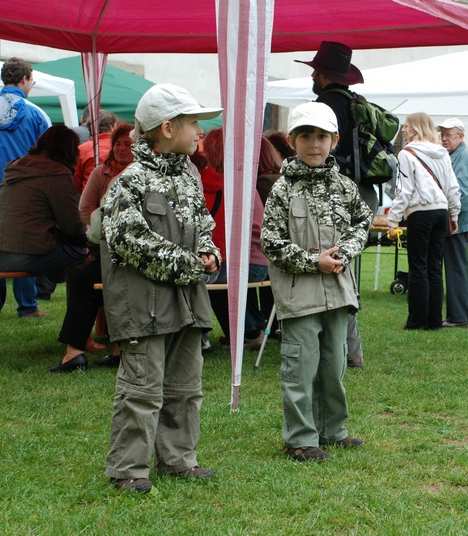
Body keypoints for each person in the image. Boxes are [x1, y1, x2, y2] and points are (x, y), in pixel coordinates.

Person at [100, 83, 222, 493]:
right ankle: (129, 469)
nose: (198, 131)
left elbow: (202, 225)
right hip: (143, 306)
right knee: (141, 389)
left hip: (187, 301)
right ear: (167, 128)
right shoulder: (128, 182)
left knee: (186, 387)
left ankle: (179, 459)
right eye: (192, 123)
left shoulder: (189, 176)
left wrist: (209, 252)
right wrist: (190, 263)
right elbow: (129, 240)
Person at [261, 102, 372, 462]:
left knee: (333, 366)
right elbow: (272, 243)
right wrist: (313, 261)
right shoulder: (281, 190)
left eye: (321, 136)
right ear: (292, 140)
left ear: (334, 140)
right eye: (306, 136)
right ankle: (301, 438)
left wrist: (348, 249)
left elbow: (362, 222)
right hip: (299, 296)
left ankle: (334, 430)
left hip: (338, 293)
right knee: (300, 368)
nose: (314, 144)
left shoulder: (344, 186)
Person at [295, 41, 370, 369]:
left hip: (331, 193)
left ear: (323, 74)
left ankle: (340, 349)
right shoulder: (355, 102)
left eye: (315, 70)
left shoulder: (325, 106)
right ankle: (350, 350)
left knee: (331, 266)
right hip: (358, 190)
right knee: (343, 269)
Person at [49, 123, 133, 373]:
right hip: (106, 247)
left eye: (127, 144)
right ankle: (102, 349)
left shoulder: (139, 175)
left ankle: (77, 352)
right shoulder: (101, 172)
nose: (121, 148)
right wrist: (98, 232)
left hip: (133, 255)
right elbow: (84, 210)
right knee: (84, 275)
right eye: (117, 143)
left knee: (87, 279)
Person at [385, 113, 460, 330]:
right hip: (441, 211)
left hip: (420, 211)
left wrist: (393, 220)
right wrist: (453, 215)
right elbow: (452, 187)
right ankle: (434, 320)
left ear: (416, 128)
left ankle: (417, 320)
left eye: (407, 126)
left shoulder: (407, 153)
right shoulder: (442, 153)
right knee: (435, 267)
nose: (405, 130)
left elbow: (405, 191)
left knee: (418, 266)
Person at [202, 127, 269, 348]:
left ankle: (250, 331)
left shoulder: (210, 184)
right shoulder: (243, 182)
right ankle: (245, 330)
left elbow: (216, 234)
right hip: (258, 260)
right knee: (219, 276)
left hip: (240, 262)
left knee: (208, 278)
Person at [0, 126, 87, 282]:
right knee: (85, 254)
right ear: (69, 150)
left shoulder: (14, 170)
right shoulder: (57, 173)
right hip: (28, 256)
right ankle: (82, 306)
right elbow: (71, 226)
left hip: (2, 254)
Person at [0, 57, 51, 317]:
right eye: (31, 81)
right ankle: (28, 306)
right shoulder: (35, 113)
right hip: (22, 190)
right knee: (23, 245)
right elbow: (50, 153)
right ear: (23, 80)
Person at [438, 118, 468, 327]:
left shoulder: (462, 157)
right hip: (459, 221)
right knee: (458, 267)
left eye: (449, 134)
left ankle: (459, 316)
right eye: (443, 134)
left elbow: (462, 192)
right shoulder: (455, 155)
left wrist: (452, 217)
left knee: (456, 268)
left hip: (459, 223)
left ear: (461, 136)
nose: (444, 138)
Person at [74, 110, 117, 192]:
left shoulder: (81, 149)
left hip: (89, 198)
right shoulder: (122, 147)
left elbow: (76, 182)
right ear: (112, 127)